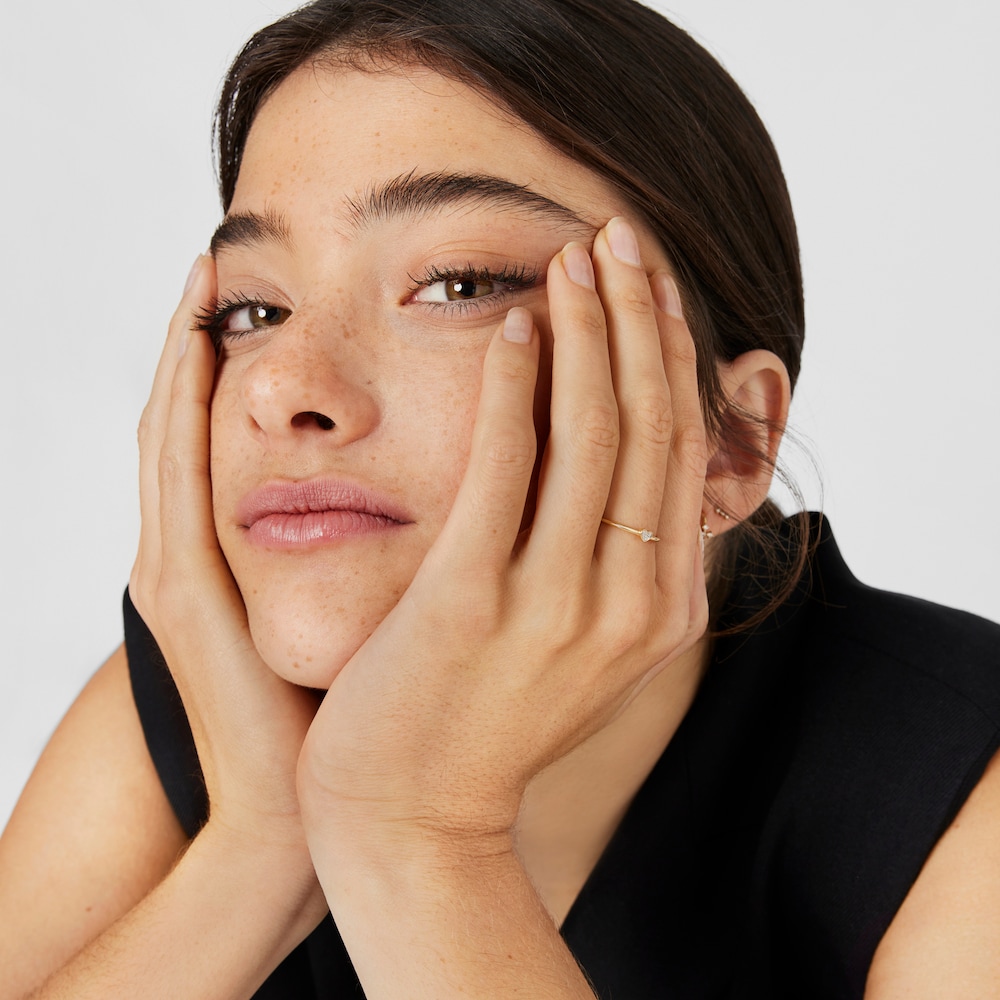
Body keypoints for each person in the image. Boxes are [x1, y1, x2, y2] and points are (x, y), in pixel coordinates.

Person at [1, 1, 998, 997]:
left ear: (728, 443)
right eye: (254, 310)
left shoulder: (962, 793)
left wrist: (417, 834)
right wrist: (255, 852)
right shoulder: (198, 710)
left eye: (459, 283)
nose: (279, 385)